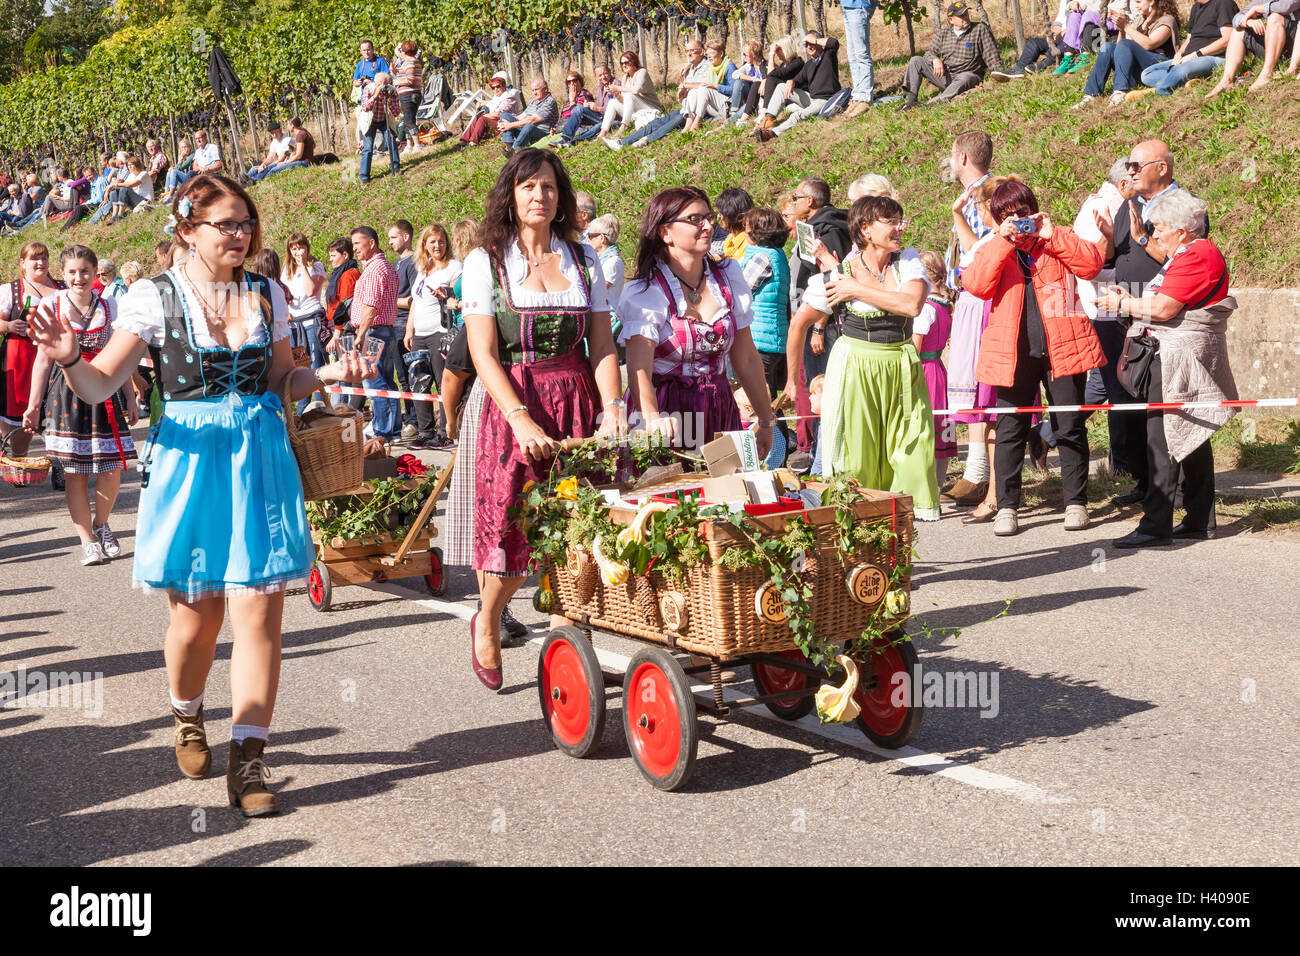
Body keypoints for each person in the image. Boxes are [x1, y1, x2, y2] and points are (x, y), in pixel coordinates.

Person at [28, 174, 374, 816]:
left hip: (260, 460)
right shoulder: (152, 298)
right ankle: (187, 713)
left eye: (247, 223)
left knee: (261, 612)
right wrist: (72, 358)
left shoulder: (266, 293)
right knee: (196, 621)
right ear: (188, 229)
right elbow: (102, 386)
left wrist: (323, 373)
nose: (241, 235)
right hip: (190, 465)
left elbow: (281, 378)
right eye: (227, 224)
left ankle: (249, 756)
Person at [462, 149, 625, 691]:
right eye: (529, 186)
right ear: (511, 193)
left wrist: (613, 409)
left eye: (550, 187)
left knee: (579, 531)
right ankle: (487, 616)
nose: (540, 196)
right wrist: (521, 420)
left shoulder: (584, 260)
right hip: (516, 397)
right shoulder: (486, 261)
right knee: (516, 529)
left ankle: (566, 652)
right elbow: (484, 353)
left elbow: (602, 343)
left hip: (577, 393)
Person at [961, 177, 1105, 536]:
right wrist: (1001, 240)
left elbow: (1091, 265)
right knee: (1011, 429)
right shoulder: (993, 246)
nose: (1018, 221)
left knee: (1069, 425)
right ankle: (1008, 506)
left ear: (1034, 209)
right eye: (1008, 215)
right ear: (996, 219)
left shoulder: (1057, 237)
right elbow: (976, 285)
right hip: (1013, 352)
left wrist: (1051, 234)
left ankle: (1076, 502)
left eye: (1022, 212)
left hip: (1063, 346)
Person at [782, 195, 939, 520]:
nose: (900, 227)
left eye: (900, 220)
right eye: (892, 221)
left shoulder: (906, 262)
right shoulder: (836, 274)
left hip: (899, 365)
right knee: (858, 458)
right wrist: (789, 382)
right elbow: (798, 324)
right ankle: (862, 538)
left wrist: (855, 290)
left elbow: (911, 306)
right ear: (865, 229)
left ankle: (898, 537)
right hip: (855, 367)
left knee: (912, 450)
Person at [1101, 190, 1236, 548]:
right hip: (1179, 354)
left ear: (1181, 230)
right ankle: (1197, 519)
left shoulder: (1197, 255)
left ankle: (1155, 524)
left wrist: (1124, 302)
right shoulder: (1191, 253)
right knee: (1192, 430)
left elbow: (1162, 309)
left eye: (1159, 228)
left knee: (1159, 438)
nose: (1155, 234)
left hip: (1178, 356)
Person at [619, 187, 775, 456]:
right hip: (667, 414)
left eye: (709, 218)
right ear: (665, 232)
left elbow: (747, 358)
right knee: (672, 494)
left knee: (724, 492)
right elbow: (639, 368)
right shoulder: (646, 292)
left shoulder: (727, 277)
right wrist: (652, 419)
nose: (707, 226)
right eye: (694, 219)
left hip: (718, 408)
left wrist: (766, 420)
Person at [23, 244, 137, 566]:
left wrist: (129, 394)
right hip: (68, 394)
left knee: (112, 468)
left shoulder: (111, 305)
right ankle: (86, 539)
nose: (79, 278)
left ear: (94, 272)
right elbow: (43, 361)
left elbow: (120, 357)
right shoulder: (52, 304)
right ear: (64, 274)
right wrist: (33, 405)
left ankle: (102, 524)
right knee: (75, 472)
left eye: (84, 271)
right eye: (72, 272)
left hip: (105, 389)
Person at [1092, 139, 1181, 506]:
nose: (1130, 172)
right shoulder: (1128, 205)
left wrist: (1143, 237)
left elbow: (1178, 257)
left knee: (1163, 411)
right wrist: (1111, 239)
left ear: (1161, 167)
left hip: (1163, 318)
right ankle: (1145, 484)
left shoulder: (1182, 207)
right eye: (1128, 166)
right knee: (1133, 402)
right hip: (1128, 318)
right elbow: (1117, 257)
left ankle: (1175, 491)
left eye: (1136, 166)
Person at [1074, 158, 1139, 479]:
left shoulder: (1114, 206)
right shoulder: (1100, 210)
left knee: (1104, 383)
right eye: (1135, 180)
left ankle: (1044, 434)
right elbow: (1088, 266)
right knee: (1118, 387)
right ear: (1123, 184)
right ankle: (1122, 464)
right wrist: (1128, 271)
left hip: (1115, 307)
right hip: (1103, 309)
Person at [942, 131, 998, 509]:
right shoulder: (978, 192)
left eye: (951, 154)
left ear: (962, 157)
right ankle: (975, 471)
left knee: (983, 387)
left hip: (980, 298)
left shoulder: (984, 195)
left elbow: (978, 251)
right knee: (976, 389)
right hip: (969, 297)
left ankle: (980, 474)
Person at [2, 242, 63, 460]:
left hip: (56, 356)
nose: (41, 262)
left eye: (44, 258)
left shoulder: (62, 287)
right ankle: (18, 459)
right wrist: (9, 326)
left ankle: (59, 462)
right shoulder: (11, 289)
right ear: (23, 263)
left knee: (57, 407)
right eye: (35, 258)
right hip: (20, 356)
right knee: (19, 410)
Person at [405, 223, 462, 448]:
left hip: (441, 332)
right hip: (420, 333)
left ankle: (446, 431)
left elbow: (458, 296)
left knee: (443, 382)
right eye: (432, 241)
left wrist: (445, 295)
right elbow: (415, 303)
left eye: (440, 241)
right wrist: (410, 330)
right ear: (425, 245)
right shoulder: (423, 269)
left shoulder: (454, 267)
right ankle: (425, 431)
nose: (437, 245)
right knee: (418, 382)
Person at [343, 226, 400, 443]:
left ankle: (382, 431)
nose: (354, 248)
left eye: (357, 243)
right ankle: (391, 430)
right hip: (383, 331)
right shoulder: (384, 266)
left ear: (372, 243)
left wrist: (360, 335)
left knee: (374, 382)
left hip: (374, 332)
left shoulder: (376, 270)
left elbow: (371, 307)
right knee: (386, 381)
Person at [899, 2, 1003, 110]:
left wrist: (999, 73)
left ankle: (938, 102)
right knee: (915, 60)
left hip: (969, 75)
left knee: (965, 77)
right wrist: (935, 60)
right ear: (951, 20)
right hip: (947, 76)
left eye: (966, 14)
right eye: (961, 16)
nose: (966, 17)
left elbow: (991, 55)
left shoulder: (980, 29)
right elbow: (929, 52)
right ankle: (911, 102)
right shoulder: (944, 33)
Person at [913, 249, 958, 497]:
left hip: (923, 371)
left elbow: (915, 346)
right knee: (940, 430)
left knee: (925, 431)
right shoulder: (945, 305)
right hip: (939, 371)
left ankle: (926, 489)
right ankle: (937, 486)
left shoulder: (925, 308)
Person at [1076, 0, 1180, 105]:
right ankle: (1091, 94)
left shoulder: (1167, 20)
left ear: (1152, 2)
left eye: (1139, 2)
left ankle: (1120, 91)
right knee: (1108, 47)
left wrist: (1126, 26)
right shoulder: (1140, 20)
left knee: (1125, 44)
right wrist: (1121, 30)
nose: (1136, 5)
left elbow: (1150, 44)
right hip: (1139, 68)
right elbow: (1120, 48)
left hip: (1158, 66)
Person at [738, 206, 792, 400]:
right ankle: (780, 431)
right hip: (769, 337)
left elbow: (739, 292)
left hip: (760, 339)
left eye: (747, 226)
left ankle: (777, 432)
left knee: (759, 403)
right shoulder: (775, 254)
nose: (744, 231)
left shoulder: (762, 257)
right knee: (767, 400)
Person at [754, 30, 842, 139]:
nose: (809, 46)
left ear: (818, 42)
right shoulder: (809, 64)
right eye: (806, 44)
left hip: (826, 101)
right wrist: (792, 81)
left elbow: (834, 43)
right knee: (782, 86)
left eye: (811, 43)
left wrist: (813, 40)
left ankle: (773, 133)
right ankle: (768, 119)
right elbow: (799, 79)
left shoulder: (828, 56)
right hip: (811, 99)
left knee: (796, 115)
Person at [1136, 0, 1237, 94]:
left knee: (1180, 70)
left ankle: (1160, 91)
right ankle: (1187, 81)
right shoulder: (1196, 7)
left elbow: (1227, 40)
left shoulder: (1224, 3)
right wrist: (1179, 53)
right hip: (1189, 58)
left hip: (1215, 57)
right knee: (1146, 74)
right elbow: (1189, 39)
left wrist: (1196, 54)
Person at [1204, 0, 1299, 97]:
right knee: (1239, 30)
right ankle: (1226, 80)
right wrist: (1247, 21)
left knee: (1275, 17)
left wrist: (1258, 8)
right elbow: (1237, 17)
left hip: (1295, 44)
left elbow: (1288, 5)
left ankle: (1266, 74)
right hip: (1275, 43)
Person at [282, 232, 329, 402]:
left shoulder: (315, 266)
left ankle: (319, 406)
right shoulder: (287, 269)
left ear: (307, 248)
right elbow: (283, 294)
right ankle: (302, 409)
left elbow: (310, 291)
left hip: (311, 322)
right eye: (294, 248)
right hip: (294, 324)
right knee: (299, 368)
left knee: (315, 366)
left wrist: (302, 266)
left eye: (300, 247)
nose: (297, 252)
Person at [388, 218, 419, 436]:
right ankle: (409, 416)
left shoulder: (413, 262)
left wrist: (387, 301)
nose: (390, 242)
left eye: (393, 237)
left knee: (411, 375)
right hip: (393, 323)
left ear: (406, 237)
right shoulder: (396, 263)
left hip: (405, 323)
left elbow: (414, 299)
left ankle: (416, 421)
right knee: (401, 376)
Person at [734, 36, 805, 127]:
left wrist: (771, 54)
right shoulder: (783, 64)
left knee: (771, 78)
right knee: (757, 84)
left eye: (778, 49)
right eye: (775, 50)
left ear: (786, 49)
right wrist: (763, 80)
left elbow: (771, 73)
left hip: (796, 96)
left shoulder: (797, 63)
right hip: (785, 95)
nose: (776, 53)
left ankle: (764, 114)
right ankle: (743, 119)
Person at [600, 50, 664, 136]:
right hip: (636, 110)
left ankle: (623, 127)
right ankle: (602, 133)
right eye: (622, 63)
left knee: (630, 95)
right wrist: (616, 94)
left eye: (626, 62)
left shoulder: (642, 72)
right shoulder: (625, 78)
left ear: (633, 61)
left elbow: (635, 91)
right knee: (612, 102)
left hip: (650, 108)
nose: (624, 65)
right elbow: (625, 101)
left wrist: (617, 87)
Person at [681, 38, 737, 131]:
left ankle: (697, 122)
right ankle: (688, 124)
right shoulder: (712, 67)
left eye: (712, 53)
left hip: (727, 106)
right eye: (707, 54)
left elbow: (734, 90)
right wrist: (688, 64)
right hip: (715, 106)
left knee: (703, 88)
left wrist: (715, 86)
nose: (709, 57)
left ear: (721, 53)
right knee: (693, 91)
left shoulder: (729, 66)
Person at [586, 214, 625, 345]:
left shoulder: (613, 262)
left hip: (608, 318)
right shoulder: (600, 259)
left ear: (601, 238)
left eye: (590, 236)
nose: (588, 240)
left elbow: (596, 288)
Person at [459, 72, 523, 147]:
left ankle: (473, 142)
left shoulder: (509, 97)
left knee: (482, 119)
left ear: (504, 85)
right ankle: (464, 140)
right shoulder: (499, 96)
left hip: (505, 123)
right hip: (498, 122)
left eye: (498, 86)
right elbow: (493, 103)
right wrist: (483, 104)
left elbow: (498, 114)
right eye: (493, 88)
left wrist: (484, 115)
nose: (495, 89)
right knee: (478, 117)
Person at [499, 77, 560, 155]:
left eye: (536, 89)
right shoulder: (534, 101)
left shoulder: (550, 102)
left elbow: (532, 120)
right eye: (533, 90)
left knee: (529, 126)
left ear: (545, 89)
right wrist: (504, 124)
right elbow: (521, 117)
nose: (534, 93)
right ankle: (509, 146)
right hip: (526, 130)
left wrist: (510, 125)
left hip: (541, 134)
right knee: (505, 116)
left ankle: (515, 150)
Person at [359, 72, 401, 183]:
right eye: (379, 83)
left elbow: (396, 113)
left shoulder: (392, 91)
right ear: (375, 82)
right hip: (370, 121)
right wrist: (375, 96)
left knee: (391, 141)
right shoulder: (369, 89)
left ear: (389, 83)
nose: (382, 86)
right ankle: (364, 176)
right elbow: (365, 107)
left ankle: (395, 167)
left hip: (384, 120)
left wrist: (390, 103)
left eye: (385, 83)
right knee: (368, 148)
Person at [557, 64, 613, 145]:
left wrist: (573, 102)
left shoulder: (585, 95)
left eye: (574, 80)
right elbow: (562, 116)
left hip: (581, 126)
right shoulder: (600, 89)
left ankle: (568, 140)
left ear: (580, 81)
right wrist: (555, 127)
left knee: (579, 109)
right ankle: (565, 139)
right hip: (563, 127)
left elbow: (577, 115)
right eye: (569, 82)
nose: (572, 84)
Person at [841, 0, 880, 114]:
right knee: (852, 56)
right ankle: (857, 96)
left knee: (862, 55)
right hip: (848, 6)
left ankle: (865, 98)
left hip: (859, 7)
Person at [392, 40, 424, 156]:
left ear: (404, 51)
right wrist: (395, 70)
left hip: (409, 94)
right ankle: (409, 145)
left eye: (401, 50)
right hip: (413, 94)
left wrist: (396, 82)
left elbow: (410, 80)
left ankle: (417, 145)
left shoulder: (410, 63)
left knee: (409, 121)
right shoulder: (413, 62)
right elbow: (405, 73)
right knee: (408, 119)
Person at [324, 237, 360, 335]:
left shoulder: (348, 275)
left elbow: (344, 307)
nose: (330, 260)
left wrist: (337, 334)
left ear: (345, 255)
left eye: (333, 256)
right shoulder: (340, 273)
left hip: (342, 329)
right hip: (336, 325)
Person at [727, 39, 767, 124]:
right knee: (739, 82)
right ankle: (734, 111)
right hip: (750, 95)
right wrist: (753, 79)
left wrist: (760, 80)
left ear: (752, 54)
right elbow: (735, 74)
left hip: (759, 99)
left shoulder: (765, 66)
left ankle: (728, 123)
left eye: (745, 54)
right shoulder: (749, 66)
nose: (744, 57)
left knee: (745, 108)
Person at [106, 156, 154, 221]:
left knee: (124, 189)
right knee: (114, 192)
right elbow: (123, 185)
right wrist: (111, 188)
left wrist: (115, 185)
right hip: (135, 201)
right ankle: (114, 216)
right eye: (128, 165)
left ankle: (120, 215)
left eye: (131, 165)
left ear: (137, 165)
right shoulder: (131, 175)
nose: (129, 167)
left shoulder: (143, 174)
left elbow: (130, 185)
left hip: (145, 201)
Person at [718, 188, 754, 260]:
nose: (718, 216)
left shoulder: (750, 244)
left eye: (720, 213)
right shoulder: (729, 240)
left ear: (730, 215)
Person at [159, 138, 194, 203]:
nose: (183, 149)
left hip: (192, 181)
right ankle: (166, 192)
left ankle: (170, 195)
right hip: (186, 181)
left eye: (185, 147)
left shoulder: (192, 156)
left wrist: (180, 160)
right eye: (182, 148)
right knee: (169, 173)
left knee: (174, 172)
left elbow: (180, 167)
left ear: (190, 147)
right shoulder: (185, 158)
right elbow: (178, 167)